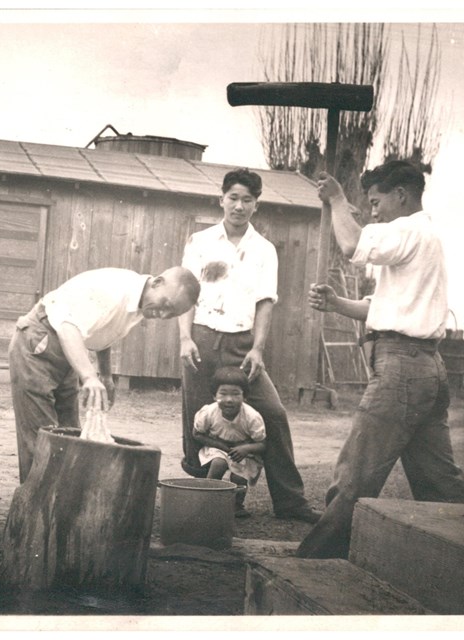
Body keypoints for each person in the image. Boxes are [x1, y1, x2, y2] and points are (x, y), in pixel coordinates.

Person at [296, 160, 464, 559]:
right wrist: (338, 304)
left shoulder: (408, 229)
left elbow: (354, 246)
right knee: (439, 484)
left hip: (402, 370)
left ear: (401, 196)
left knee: (355, 474)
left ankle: (317, 562)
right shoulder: (426, 237)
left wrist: (337, 198)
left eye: (376, 202)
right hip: (427, 368)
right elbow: (384, 308)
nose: (372, 212)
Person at [179, 167, 321, 524]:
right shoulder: (200, 242)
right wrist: (184, 338)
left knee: (273, 413)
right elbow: (187, 295)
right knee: (198, 417)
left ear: (256, 205)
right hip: (202, 337)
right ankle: (205, 497)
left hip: (243, 343)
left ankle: (290, 501)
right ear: (221, 199)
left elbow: (265, 302)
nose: (239, 206)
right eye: (233, 198)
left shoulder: (264, 249)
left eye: (247, 200)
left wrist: (257, 348)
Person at [9, 266, 200, 483]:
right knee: (41, 436)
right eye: (165, 305)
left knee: (69, 434)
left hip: (70, 349)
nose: (162, 314)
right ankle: (35, 507)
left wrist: (106, 375)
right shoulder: (115, 290)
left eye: (171, 314)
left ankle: (62, 502)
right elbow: (67, 327)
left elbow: (102, 332)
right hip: (41, 339)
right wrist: (89, 377)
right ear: (157, 282)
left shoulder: (139, 302)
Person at [193, 366, 267, 518]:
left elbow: (262, 444)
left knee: (239, 476)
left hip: (243, 449)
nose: (229, 399)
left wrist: (246, 449)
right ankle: (208, 500)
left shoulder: (252, 417)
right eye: (223, 393)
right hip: (217, 446)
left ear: (244, 396)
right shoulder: (209, 412)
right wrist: (222, 447)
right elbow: (197, 434)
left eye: (235, 394)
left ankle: (237, 505)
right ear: (214, 396)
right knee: (218, 463)